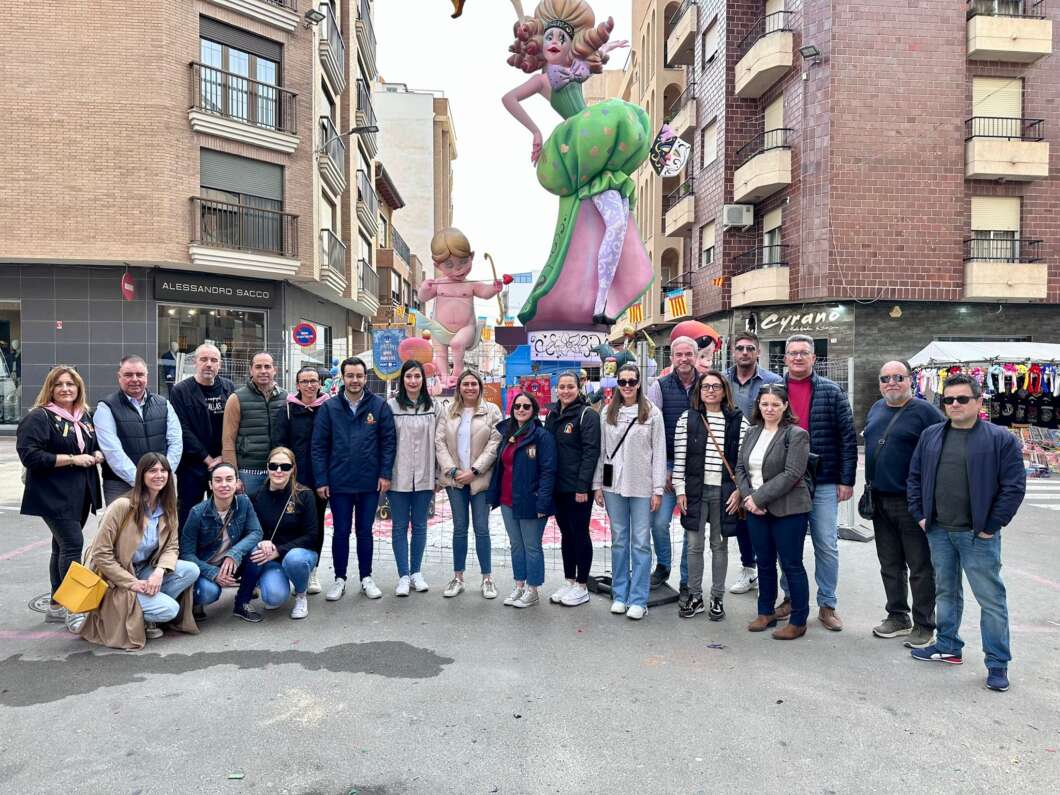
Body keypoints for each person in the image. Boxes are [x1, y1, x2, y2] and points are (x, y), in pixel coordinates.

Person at [502, 1, 652, 327]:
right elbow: (508, 99)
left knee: (619, 222)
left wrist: (607, 47)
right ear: (538, 44)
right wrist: (535, 131)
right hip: (581, 146)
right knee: (616, 223)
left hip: (596, 141)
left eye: (562, 38)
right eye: (549, 37)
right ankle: (600, 299)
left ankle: (604, 298)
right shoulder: (543, 79)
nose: (555, 42)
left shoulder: (575, 66)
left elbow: (589, 59)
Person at [907, 374, 1025, 692]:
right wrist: (921, 515)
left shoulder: (999, 439)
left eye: (962, 399)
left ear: (978, 402)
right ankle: (948, 646)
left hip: (977, 535)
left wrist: (991, 526)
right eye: (948, 400)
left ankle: (997, 663)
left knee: (991, 600)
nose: (955, 404)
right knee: (946, 591)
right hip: (939, 531)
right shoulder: (932, 435)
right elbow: (914, 477)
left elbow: (1013, 487)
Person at [80, 453, 200, 649]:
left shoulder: (168, 507)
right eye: (152, 470)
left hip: (144, 569)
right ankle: (136, 615)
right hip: (115, 579)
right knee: (170, 610)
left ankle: (146, 610)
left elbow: (172, 547)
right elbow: (101, 553)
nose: (159, 475)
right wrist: (132, 583)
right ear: (141, 475)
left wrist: (159, 572)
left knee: (191, 570)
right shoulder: (122, 506)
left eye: (163, 470)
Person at [863, 360, 944, 648]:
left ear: (910, 380)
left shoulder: (926, 412)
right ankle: (897, 615)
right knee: (890, 564)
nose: (891, 383)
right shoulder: (876, 408)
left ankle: (924, 624)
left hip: (911, 502)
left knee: (920, 566)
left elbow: (943, 451)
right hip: (879, 499)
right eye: (885, 378)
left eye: (898, 377)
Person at [17, 366, 104, 630]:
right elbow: (30, 456)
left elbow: (91, 444)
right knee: (73, 545)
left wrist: (97, 453)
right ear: (50, 388)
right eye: (59, 384)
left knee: (61, 547)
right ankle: (74, 608)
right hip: (53, 495)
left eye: (70, 384)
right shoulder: (39, 417)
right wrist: (72, 459)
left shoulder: (84, 416)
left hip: (80, 494)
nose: (65, 388)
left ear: (79, 388)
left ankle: (56, 605)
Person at [783, 334, 856, 630]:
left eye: (804, 353)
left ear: (814, 358)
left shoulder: (832, 391)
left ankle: (827, 604)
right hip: (786, 481)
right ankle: (790, 598)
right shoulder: (774, 390)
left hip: (823, 480)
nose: (798, 357)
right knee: (788, 545)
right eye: (793, 353)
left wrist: (846, 479)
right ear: (786, 358)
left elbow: (847, 437)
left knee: (826, 543)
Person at [311, 356, 396, 602]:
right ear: (343, 377)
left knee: (365, 532)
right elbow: (319, 446)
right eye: (350, 376)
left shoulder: (379, 406)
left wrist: (385, 474)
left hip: (369, 482)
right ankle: (339, 579)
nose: (355, 380)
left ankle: (366, 578)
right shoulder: (329, 408)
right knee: (340, 532)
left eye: (359, 375)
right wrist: (321, 480)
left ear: (365, 377)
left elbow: (388, 443)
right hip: (339, 482)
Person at [735, 385, 812, 640]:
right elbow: (740, 467)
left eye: (775, 404)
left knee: (791, 565)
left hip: (788, 509)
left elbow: (792, 473)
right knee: (764, 562)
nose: (769, 409)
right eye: (765, 404)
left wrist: (758, 498)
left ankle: (798, 620)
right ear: (758, 406)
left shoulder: (796, 435)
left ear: (785, 406)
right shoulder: (752, 432)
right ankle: (765, 611)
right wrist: (748, 498)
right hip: (755, 509)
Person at [673, 371, 749, 621]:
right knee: (694, 546)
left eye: (716, 386)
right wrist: (680, 490)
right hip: (695, 491)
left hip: (724, 493)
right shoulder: (688, 418)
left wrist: (740, 491)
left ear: (725, 390)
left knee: (719, 545)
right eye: (706, 386)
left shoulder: (738, 420)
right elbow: (680, 458)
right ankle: (695, 596)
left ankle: (717, 597)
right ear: (699, 391)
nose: (711, 391)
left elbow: (744, 461)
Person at [594, 363, 666, 620]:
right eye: (622, 381)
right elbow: (602, 451)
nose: (627, 386)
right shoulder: (607, 412)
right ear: (617, 383)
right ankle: (620, 593)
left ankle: (638, 598)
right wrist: (597, 485)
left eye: (631, 382)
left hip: (641, 484)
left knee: (640, 542)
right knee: (619, 540)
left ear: (639, 383)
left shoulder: (652, 413)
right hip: (613, 484)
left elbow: (659, 453)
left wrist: (658, 489)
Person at [724, 331, 783, 595]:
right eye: (740, 348)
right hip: (730, 458)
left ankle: (768, 571)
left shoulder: (773, 381)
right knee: (741, 516)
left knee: (767, 514)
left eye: (750, 348)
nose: (745, 352)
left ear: (758, 352)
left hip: (765, 457)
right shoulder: (722, 380)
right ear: (733, 352)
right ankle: (749, 569)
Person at [435, 369, 503, 599]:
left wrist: (475, 471)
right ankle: (458, 577)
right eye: (466, 384)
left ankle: (487, 578)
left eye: (474, 384)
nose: (470, 388)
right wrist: (453, 471)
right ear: (459, 388)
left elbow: (495, 443)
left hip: (480, 480)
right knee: (459, 528)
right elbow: (440, 443)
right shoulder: (448, 411)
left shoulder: (491, 411)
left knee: (482, 529)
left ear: (480, 387)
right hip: (455, 480)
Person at [486, 392, 557, 608]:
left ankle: (533, 590)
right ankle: (519, 585)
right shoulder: (508, 434)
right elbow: (500, 468)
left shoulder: (542, 437)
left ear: (533, 410)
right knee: (516, 545)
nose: (521, 410)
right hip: (508, 500)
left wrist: (542, 502)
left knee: (532, 546)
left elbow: (548, 471)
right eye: (517, 406)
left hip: (531, 501)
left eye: (526, 406)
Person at [180, 461, 265, 622]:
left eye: (229, 479)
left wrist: (234, 553)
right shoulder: (197, 513)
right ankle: (196, 600)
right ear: (210, 485)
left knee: (257, 551)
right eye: (218, 480)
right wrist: (212, 573)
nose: (224, 484)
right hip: (206, 566)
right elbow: (186, 554)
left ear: (237, 483)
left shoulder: (244, 503)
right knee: (209, 593)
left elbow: (256, 532)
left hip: (233, 563)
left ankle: (242, 603)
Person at [645, 335, 699, 594]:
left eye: (689, 354)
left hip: (697, 466)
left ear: (696, 357)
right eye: (679, 355)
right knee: (658, 522)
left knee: (691, 527)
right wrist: (664, 469)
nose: (684, 359)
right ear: (671, 358)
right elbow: (652, 431)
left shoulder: (709, 384)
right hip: (667, 463)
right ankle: (663, 565)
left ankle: (687, 579)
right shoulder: (659, 386)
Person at [241, 447, 320, 620]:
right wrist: (261, 542)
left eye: (285, 467)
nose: (278, 471)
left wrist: (279, 550)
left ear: (293, 469)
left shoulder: (304, 495)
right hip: (271, 558)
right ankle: (272, 579)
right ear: (267, 467)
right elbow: (250, 531)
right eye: (273, 466)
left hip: (299, 553)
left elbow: (312, 536)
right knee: (273, 598)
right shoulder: (256, 497)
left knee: (294, 559)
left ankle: (301, 594)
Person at [543, 371, 601, 606]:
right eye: (562, 387)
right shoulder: (552, 414)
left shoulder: (587, 415)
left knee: (579, 533)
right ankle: (570, 581)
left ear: (579, 388)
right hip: (558, 486)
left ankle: (582, 585)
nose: (565, 391)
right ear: (556, 389)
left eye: (570, 387)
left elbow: (590, 453)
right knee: (566, 534)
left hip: (577, 488)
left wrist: (582, 487)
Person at [95, 355, 182, 505]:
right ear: (119, 377)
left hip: (160, 486)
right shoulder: (106, 408)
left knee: (161, 521)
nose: (135, 379)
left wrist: (161, 476)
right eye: (128, 375)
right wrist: (140, 480)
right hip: (121, 486)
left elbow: (176, 443)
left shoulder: (164, 404)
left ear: (146, 376)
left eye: (140, 374)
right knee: (123, 521)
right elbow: (112, 451)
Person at [275, 365, 330, 595]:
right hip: (293, 479)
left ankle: (312, 571)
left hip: (320, 480)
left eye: (313, 381)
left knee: (315, 526)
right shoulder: (287, 409)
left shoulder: (328, 408)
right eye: (304, 381)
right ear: (297, 385)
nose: (309, 385)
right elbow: (279, 444)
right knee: (290, 524)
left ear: (320, 383)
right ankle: (289, 570)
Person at [169, 343, 235, 530]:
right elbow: (182, 428)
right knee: (189, 513)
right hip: (192, 465)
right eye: (204, 359)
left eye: (214, 360)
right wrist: (207, 458)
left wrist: (222, 457)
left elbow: (234, 425)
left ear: (220, 364)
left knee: (222, 514)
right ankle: (187, 546)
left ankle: (218, 546)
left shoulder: (228, 387)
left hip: (222, 464)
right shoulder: (180, 390)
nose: (209, 364)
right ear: (195, 362)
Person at [386, 360, 437, 596]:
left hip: (425, 475)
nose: (413, 381)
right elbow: (385, 442)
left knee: (419, 525)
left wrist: (438, 474)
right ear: (402, 379)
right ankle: (403, 575)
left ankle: (416, 572)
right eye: (408, 376)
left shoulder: (433, 406)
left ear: (423, 379)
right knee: (399, 526)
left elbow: (440, 442)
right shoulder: (391, 406)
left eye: (417, 376)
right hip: (398, 476)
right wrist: (384, 473)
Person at [222, 351, 288, 499]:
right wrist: (233, 477)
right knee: (247, 512)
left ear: (275, 370)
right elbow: (228, 441)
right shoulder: (236, 398)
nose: (263, 371)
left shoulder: (285, 397)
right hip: (248, 473)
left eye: (267, 366)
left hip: (279, 470)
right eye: (258, 367)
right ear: (251, 370)